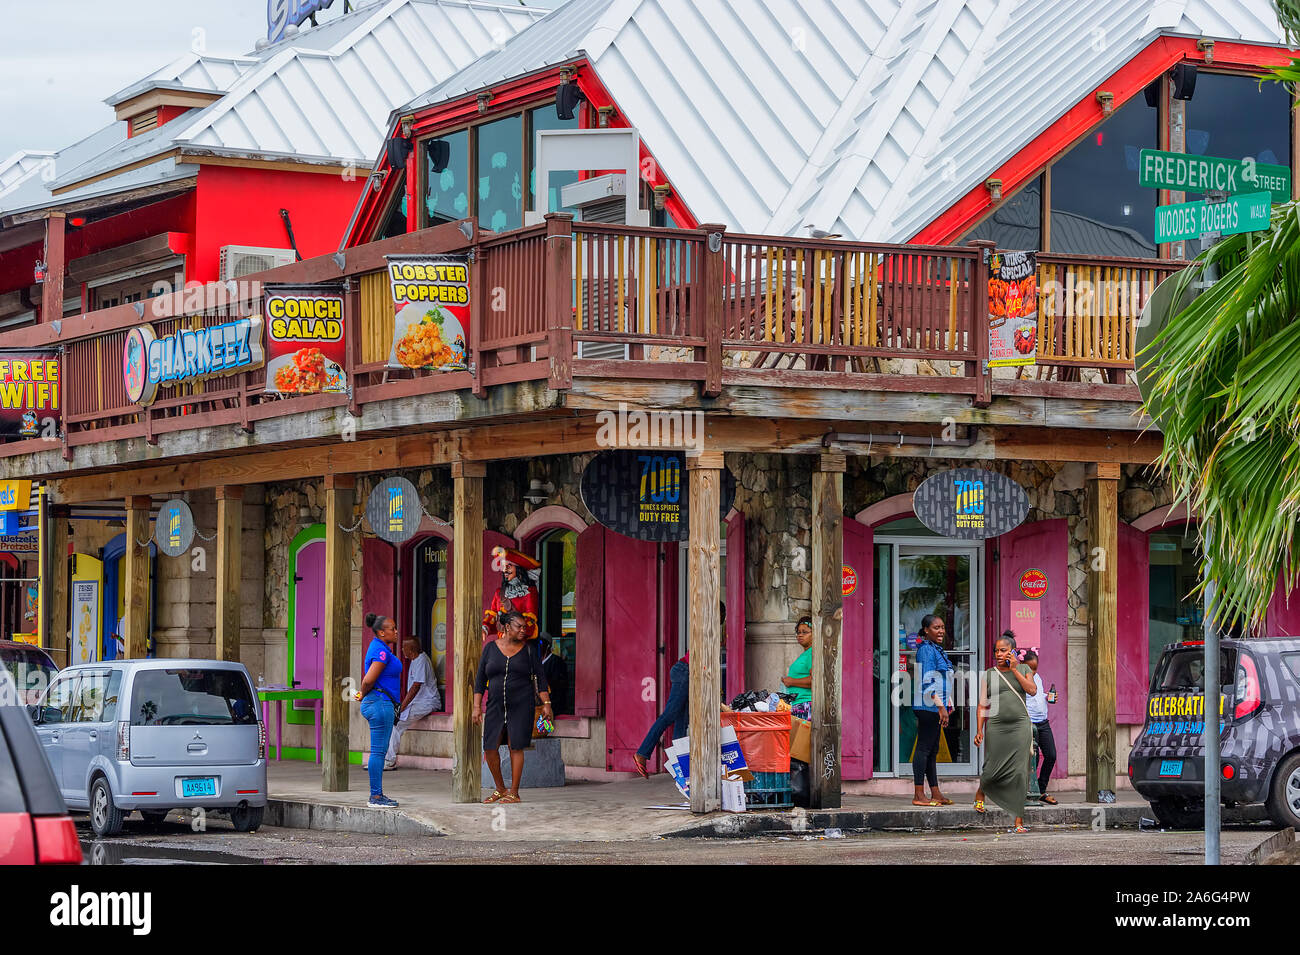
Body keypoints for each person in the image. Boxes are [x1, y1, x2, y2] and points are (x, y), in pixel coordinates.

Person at [631, 603, 723, 779]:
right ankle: (642, 753)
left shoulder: (709, 630)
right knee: (671, 715)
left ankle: (681, 770)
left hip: (688, 672)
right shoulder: (704, 628)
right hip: (685, 671)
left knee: (681, 722)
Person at [473, 610, 552, 804]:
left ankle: (514, 792)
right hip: (495, 705)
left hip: (521, 706)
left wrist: (546, 704)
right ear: (507, 627)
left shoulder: (529, 650)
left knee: (515, 746)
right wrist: (476, 706)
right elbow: (480, 679)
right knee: (490, 748)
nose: (524, 630)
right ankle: (500, 789)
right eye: (520, 626)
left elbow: (540, 678)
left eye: (525, 627)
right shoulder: (490, 648)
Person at [973, 631, 1038, 833]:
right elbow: (983, 704)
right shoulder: (989, 674)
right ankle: (980, 792)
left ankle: (1018, 821)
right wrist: (979, 730)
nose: (999, 654)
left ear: (1013, 652)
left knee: (1020, 773)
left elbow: (1032, 690)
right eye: (996, 651)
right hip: (996, 726)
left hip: (1020, 726)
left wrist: (1015, 670)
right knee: (992, 768)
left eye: (1004, 650)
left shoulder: (1025, 668)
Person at [353, 613, 403, 808]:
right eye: (392, 629)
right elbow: (368, 679)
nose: (396, 631)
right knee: (378, 752)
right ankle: (376, 796)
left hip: (379, 702)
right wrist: (363, 694)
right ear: (382, 632)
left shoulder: (380, 648)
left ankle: (377, 795)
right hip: (380, 703)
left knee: (378, 752)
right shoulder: (381, 652)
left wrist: (363, 695)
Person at [913, 613, 955, 807]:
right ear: (926, 630)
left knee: (932, 749)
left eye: (942, 627)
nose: (941, 631)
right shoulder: (926, 650)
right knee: (923, 749)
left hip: (937, 705)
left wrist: (948, 702)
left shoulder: (937, 649)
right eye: (936, 628)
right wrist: (940, 706)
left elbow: (942, 679)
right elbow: (927, 681)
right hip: (928, 706)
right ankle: (919, 794)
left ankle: (935, 792)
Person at [385, 636, 441, 770]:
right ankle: (386, 758)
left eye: (405, 647)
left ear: (412, 649)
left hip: (427, 702)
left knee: (396, 722)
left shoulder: (421, 660)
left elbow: (415, 687)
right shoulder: (414, 660)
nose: (402, 650)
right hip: (418, 702)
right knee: (394, 722)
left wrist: (401, 708)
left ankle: (390, 760)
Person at [1022, 649, 1058, 805]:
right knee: (1032, 760)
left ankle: (1041, 790)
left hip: (1043, 722)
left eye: (1035, 668)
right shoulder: (1020, 679)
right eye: (1030, 668)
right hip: (1029, 723)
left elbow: (1037, 696)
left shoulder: (1037, 677)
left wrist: (1047, 697)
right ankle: (1028, 791)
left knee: (1051, 755)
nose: (1033, 672)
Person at [483, 547, 540, 641]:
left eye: (509, 566)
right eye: (503, 566)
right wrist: (485, 628)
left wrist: (513, 633)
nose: (505, 570)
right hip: (502, 643)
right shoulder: (499, 593)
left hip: (520, 644)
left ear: (518, 569)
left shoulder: (529, 592)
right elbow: (493, 617)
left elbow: (530, 622)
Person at [781, 616, 814, 721]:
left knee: (801, 737)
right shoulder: (806, 654)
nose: (800, 635)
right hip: (799, 704)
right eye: (798, 632)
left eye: (805, 632)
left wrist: (791, 682)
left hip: (805, 705)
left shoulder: (812, 653)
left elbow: (814, 680)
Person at [538, 634, 569, 716]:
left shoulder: (557, 662)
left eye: (540, 642)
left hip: (553, 705)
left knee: (547, 727)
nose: (538, 645)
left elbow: (560, 685)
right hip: (538, 705)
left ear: (548, 645)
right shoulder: (536, 662)